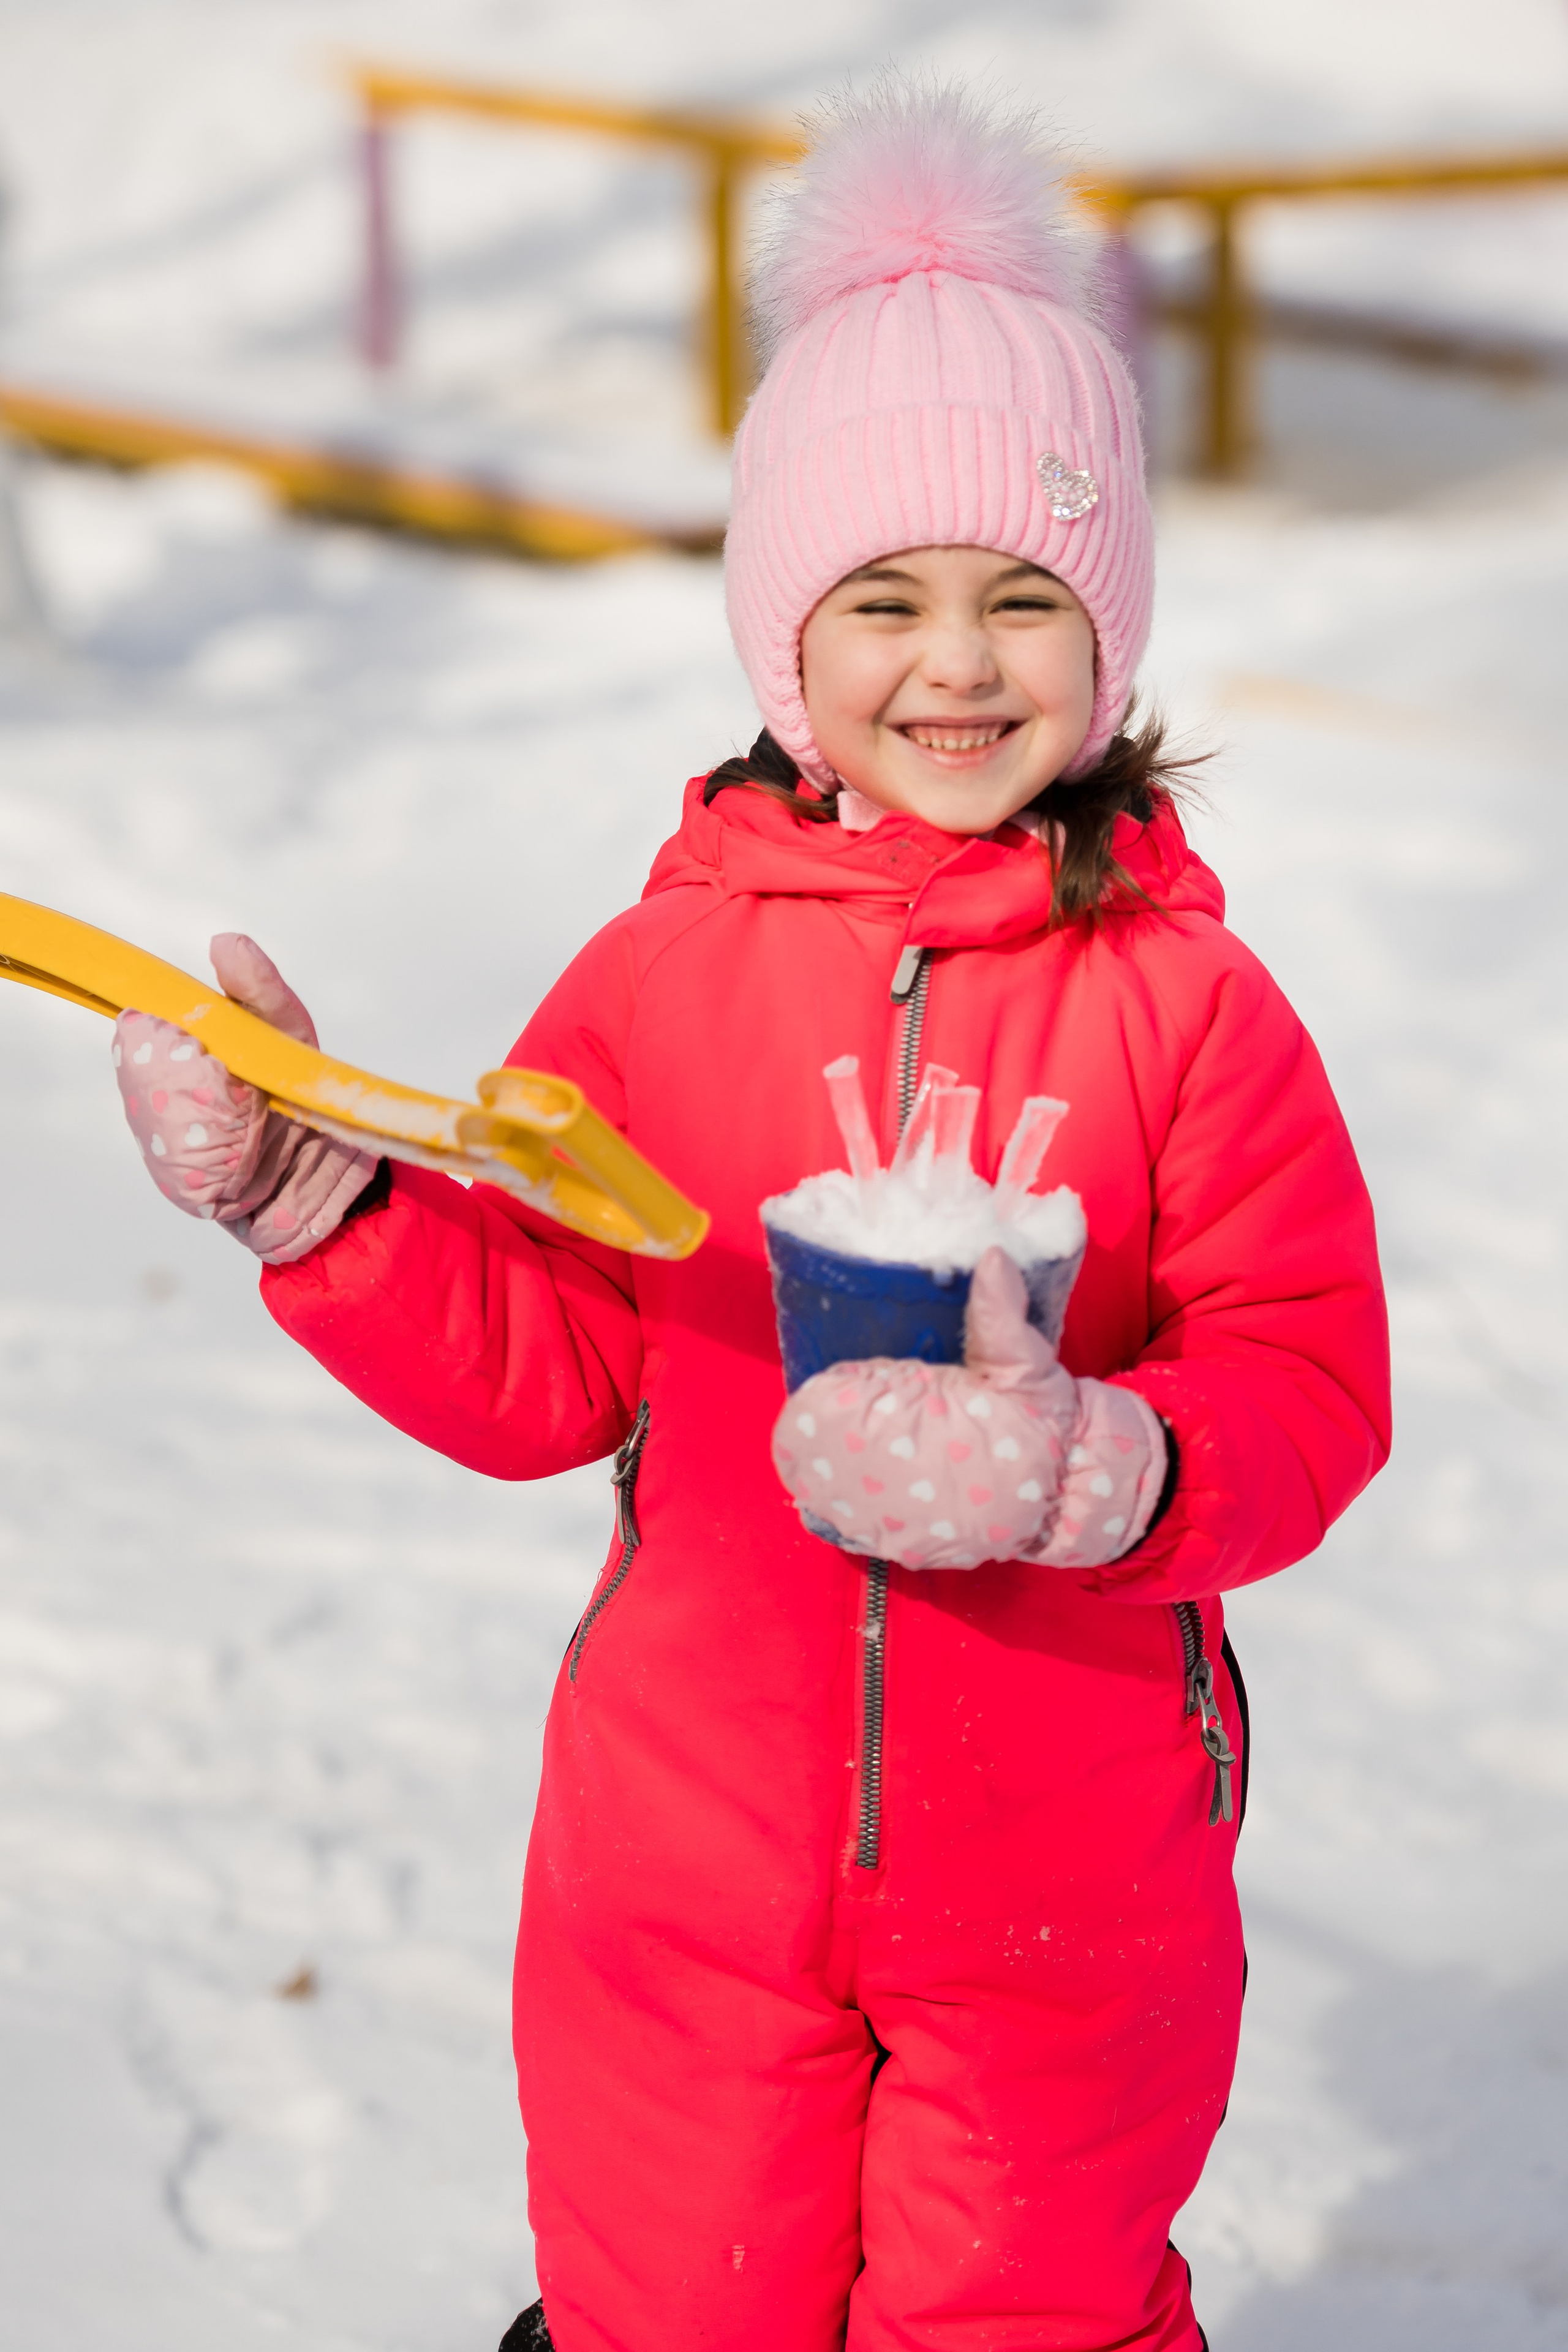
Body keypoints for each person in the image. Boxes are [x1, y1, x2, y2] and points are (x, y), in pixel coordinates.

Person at [113, 80, 1390, 2352]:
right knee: (672, 2306)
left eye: (1023, 600)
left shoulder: (1188, 1007)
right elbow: (548, 1359)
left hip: (1070, 1882)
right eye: (884, 600)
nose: (957, 664)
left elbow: (1306, 1380)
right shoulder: (657, 980)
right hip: (689, 1863)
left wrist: (1102, 1468)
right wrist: (321, 1200)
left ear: (1107, 641)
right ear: (785, 639)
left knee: (1025, 2322)